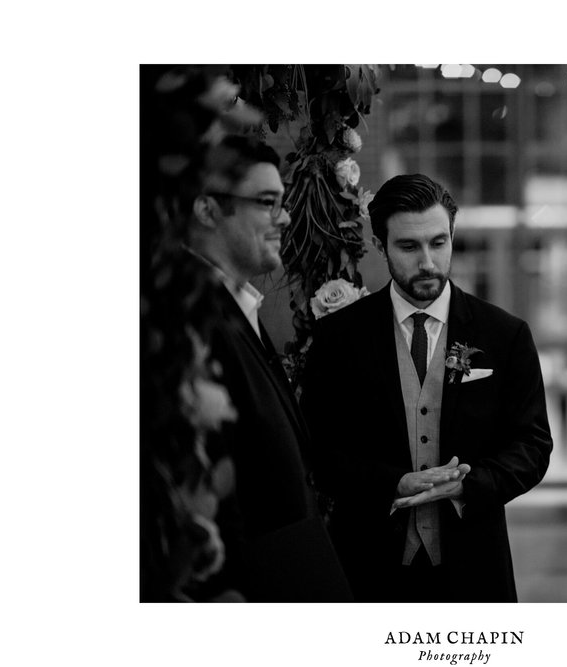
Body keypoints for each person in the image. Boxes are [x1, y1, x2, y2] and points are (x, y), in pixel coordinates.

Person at [302, 173, 553, 602]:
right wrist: (392, 482)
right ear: (381, 246)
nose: (427, 262)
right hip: (367, 568)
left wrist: (468, 486)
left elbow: (532, 445)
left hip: (475, 568)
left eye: (439, 243)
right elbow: (318, 452)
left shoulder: (505, 336)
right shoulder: (338, 338)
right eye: (408, 246)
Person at [185, 134, 352, 601]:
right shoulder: (189, 323)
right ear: (206, 209)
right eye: (266, 202)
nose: (285, 216)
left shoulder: (238, 308)